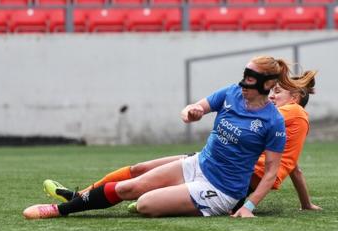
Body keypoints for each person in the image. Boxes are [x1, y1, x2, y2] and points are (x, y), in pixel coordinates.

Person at [23, 56, 315, 219]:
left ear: (268, 84)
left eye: (252, 77)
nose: (245, 80)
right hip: (200, 163)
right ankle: (61, 209)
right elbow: (199, 106)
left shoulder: (276, 119)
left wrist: (249, 206)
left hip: (223, 190)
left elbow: (274, 171)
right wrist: (192, 111)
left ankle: (179, 196)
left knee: (146, 204)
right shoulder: (231, 93)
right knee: (130, 185)